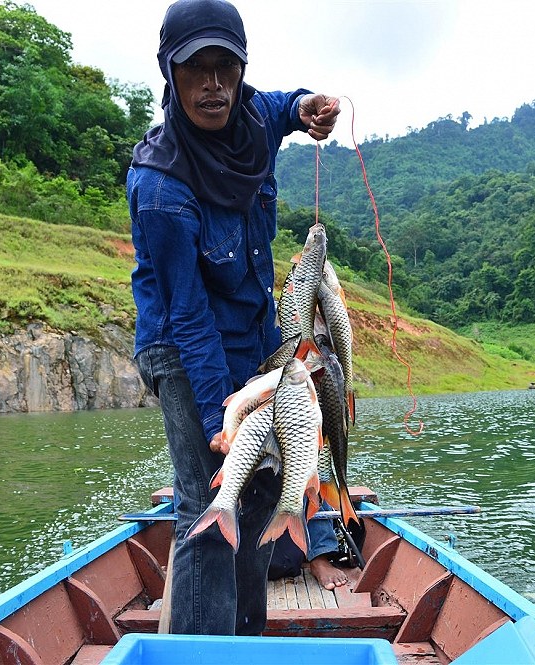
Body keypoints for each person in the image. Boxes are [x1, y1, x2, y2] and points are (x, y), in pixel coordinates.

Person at [127, 0, 340, 636]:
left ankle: (246, 642)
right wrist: (227, 415)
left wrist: (306, 107)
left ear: (241, 71)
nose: (213, 85)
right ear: (171, 74)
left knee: (261, 496)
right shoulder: (159, 186)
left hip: (256, 339)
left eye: (227, 68)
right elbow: (188, 317)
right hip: (182, 344)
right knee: (207, 498)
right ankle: (196, 652)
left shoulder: (252, 115)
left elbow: (283, 107)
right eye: (197, 71)